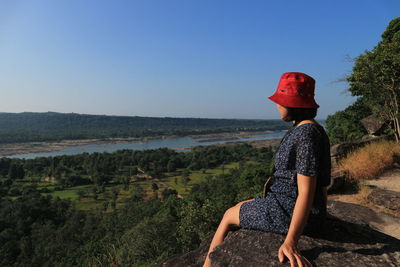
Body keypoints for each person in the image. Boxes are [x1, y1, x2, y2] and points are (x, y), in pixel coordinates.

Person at [203, 72, 334, 267]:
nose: (277, 105)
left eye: (281, 101)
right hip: (284, 202)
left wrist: (290, 242)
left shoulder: (305, 134)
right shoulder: (309, 129)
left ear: (293, 104)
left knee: (229, 215)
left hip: (287, 209)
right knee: (241, 204)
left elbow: (306, 191)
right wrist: (321, 211)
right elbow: (321, 182)